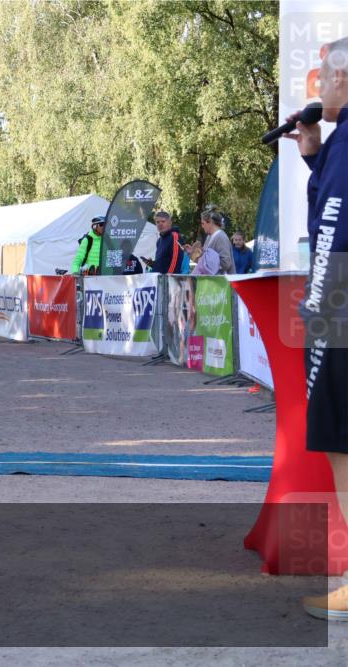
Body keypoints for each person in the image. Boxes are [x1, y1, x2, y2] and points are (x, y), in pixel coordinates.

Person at [285, 36, 348, 622]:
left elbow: (336, 234)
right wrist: (312, 154)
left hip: (342, 315)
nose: (318, 90)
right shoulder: (340, 143)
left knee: (340, 442)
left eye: (324, 79)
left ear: (345, 77)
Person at [186, 208, 233, 275]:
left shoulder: (221, 237)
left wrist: (207, 262)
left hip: (220, 282)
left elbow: (226, 263)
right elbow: (204, 262)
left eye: (203, 223)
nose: (202, 226)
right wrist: (192, 253)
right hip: (212, 282)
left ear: (210, 222)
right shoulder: (209, 237)